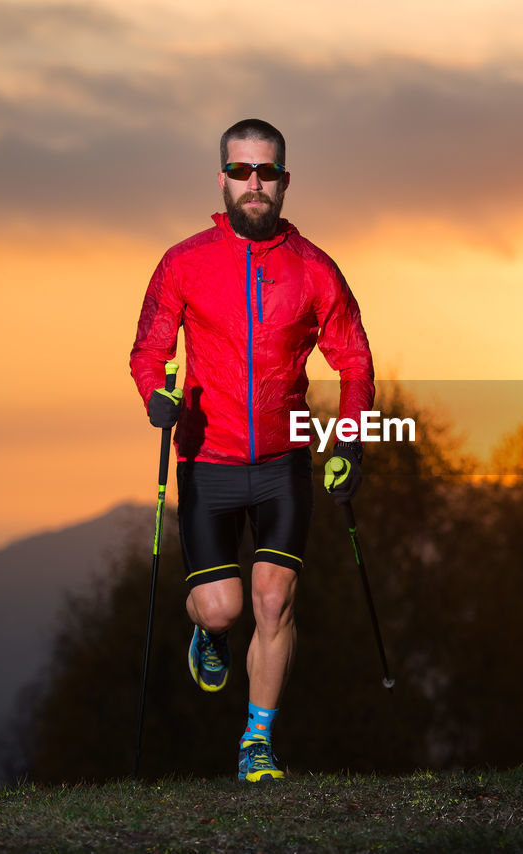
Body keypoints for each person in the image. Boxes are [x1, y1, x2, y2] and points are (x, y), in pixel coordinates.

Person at [130, 118, 374, 782]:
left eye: (266, 171)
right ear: (223, 179)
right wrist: (157, 394)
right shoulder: (183, 262)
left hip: (283, 463)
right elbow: (148, 349)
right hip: (207, 459)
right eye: (241, 171)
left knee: (274, 600)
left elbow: (354, 361)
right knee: (226, 606)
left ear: (285, 181)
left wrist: (350, 442)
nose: (254, 183)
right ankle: (207, 633)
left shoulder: (315, 270)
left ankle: (257, 743)